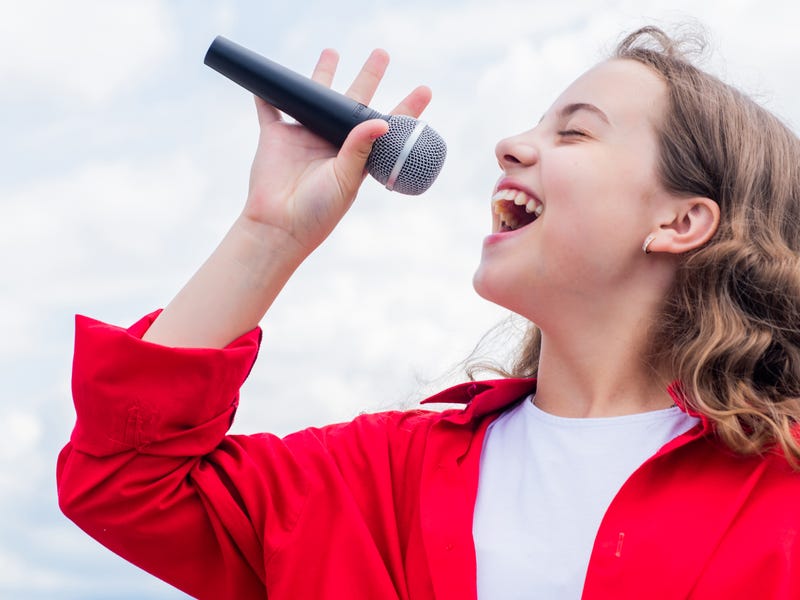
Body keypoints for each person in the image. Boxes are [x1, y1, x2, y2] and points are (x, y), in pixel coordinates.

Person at [57, 25, 800, 599]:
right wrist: (268, 235)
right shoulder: (381, 479)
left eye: (573, 132)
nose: (510, 146)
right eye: (534, 126)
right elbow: (123, 479)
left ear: (681, 223)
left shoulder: (780, 491)